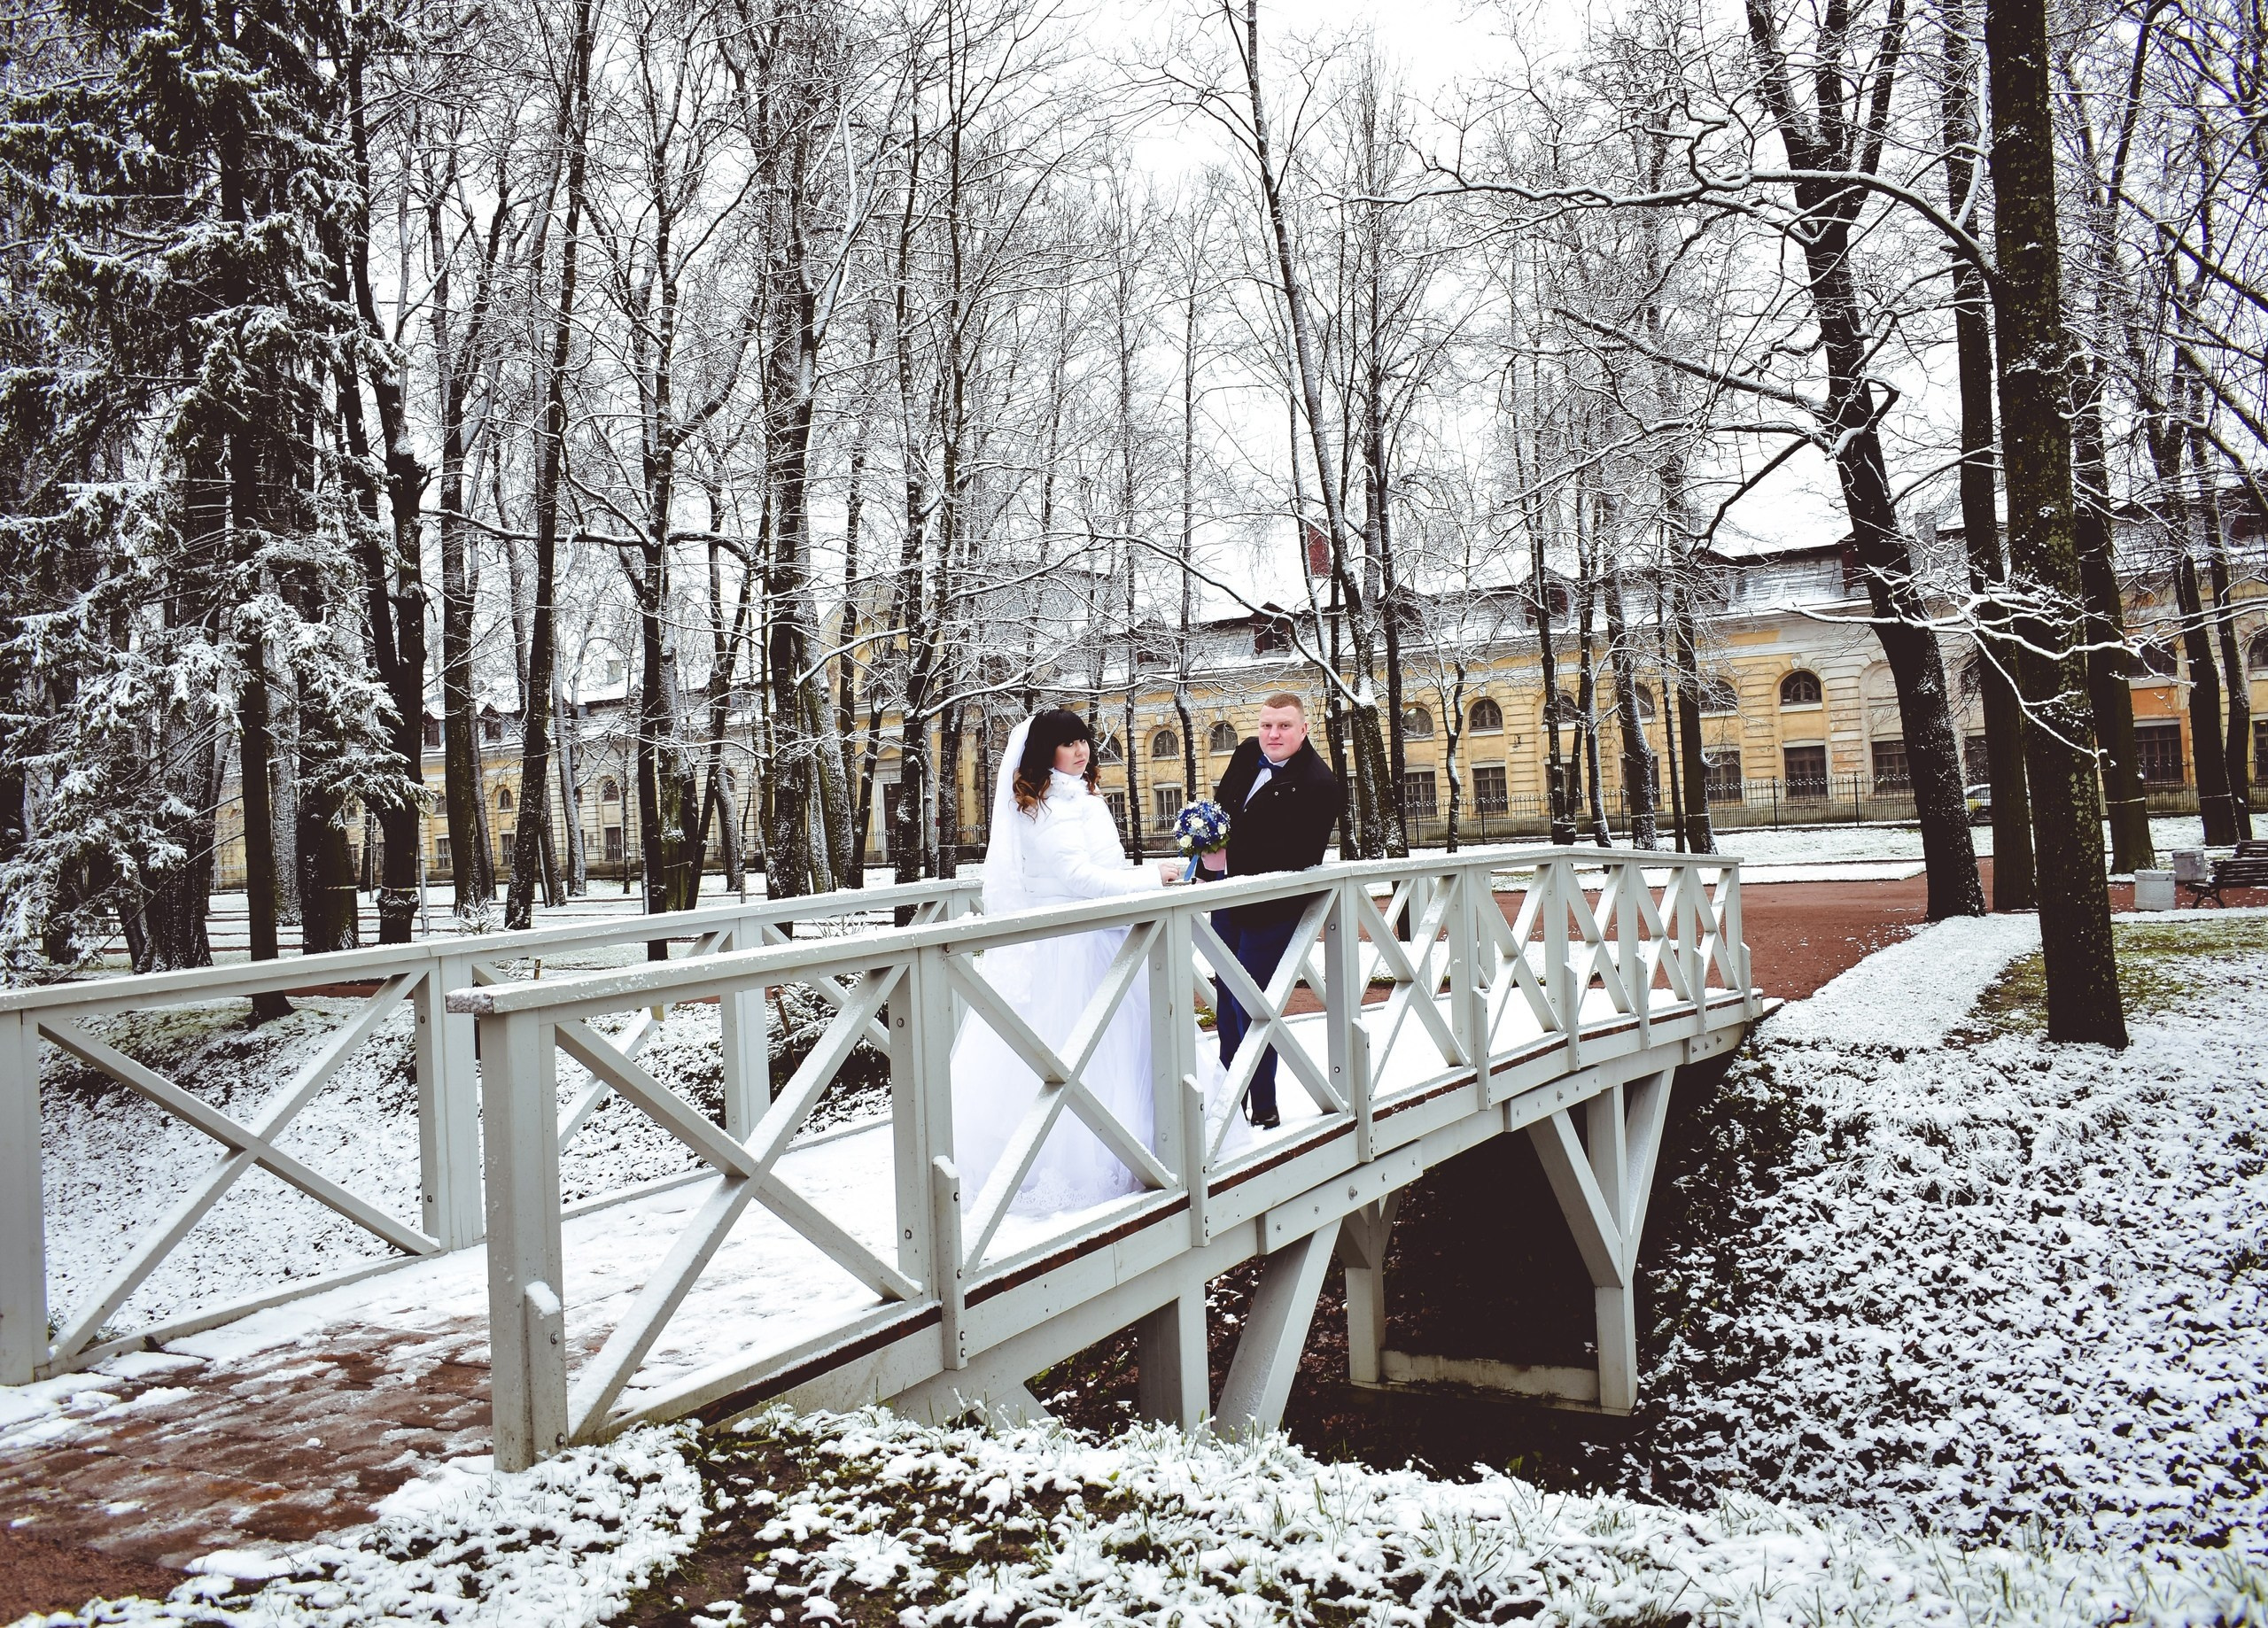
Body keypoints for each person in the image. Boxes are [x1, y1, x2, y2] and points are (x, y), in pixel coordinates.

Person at [949, 709, 1185, 1217]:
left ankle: (1142, 1150)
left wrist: (1140, 874)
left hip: (1097, 937)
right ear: (1044, 752)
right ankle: (1081, 1169)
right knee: (1077, 1056)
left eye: (1084, 741)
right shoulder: (1047, 805)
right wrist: (1153, 878)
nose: (1081, 751)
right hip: (1066, 948)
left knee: (1122, 1050)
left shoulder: (1081, 795)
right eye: (1068, 744)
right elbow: (1079, 879)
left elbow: (1104, 867)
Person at [1197, 692, 1342, 1128]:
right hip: (1228, 901)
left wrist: (1231, 858)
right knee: (1226, 1002)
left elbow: (1298, 854)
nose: (1273, 734)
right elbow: (1224, 810)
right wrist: (1205, 843)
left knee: (1255, 1006)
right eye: (1266, 725)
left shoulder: (1321, 783)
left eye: (1283, 726)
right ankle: (1230, 1098)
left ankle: (1264, 1105)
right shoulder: (1246, 755)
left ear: (1304, 729)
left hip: (1272, 910)